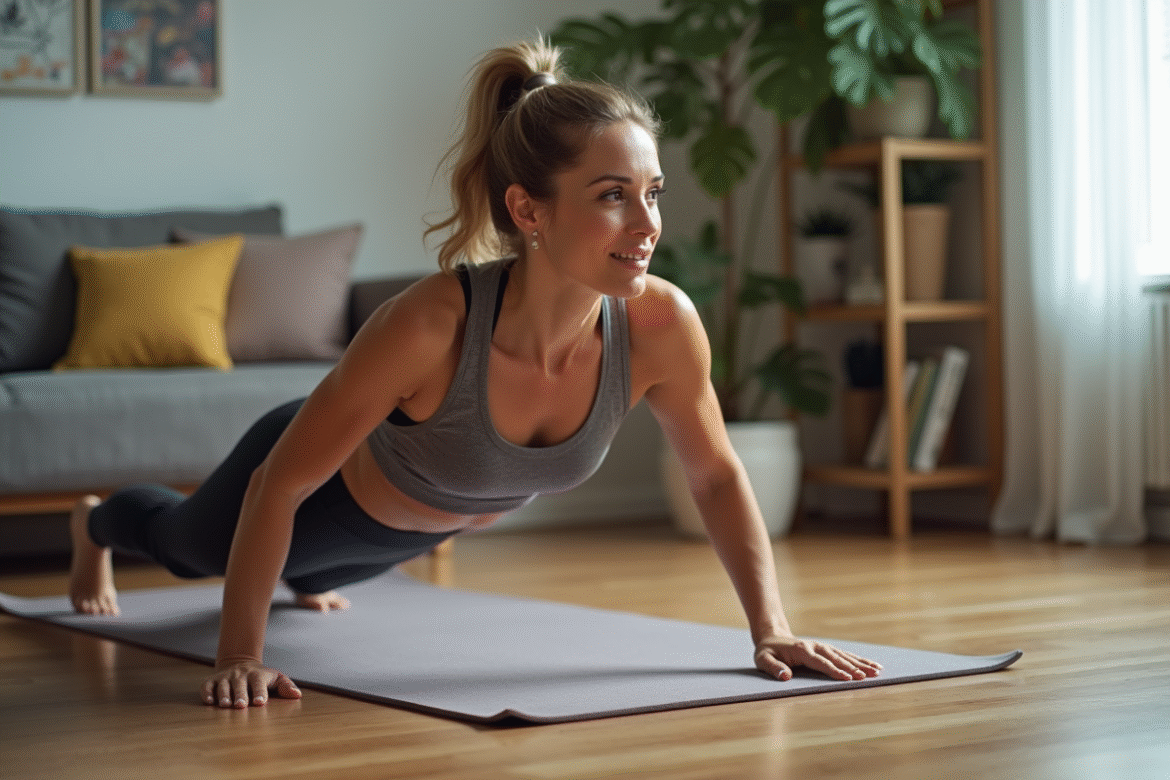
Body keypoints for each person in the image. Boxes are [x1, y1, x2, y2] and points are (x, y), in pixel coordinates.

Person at [68, 39, 882, 710]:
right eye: (612, 196)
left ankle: (297, 578)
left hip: (397, 536)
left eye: (653, 193)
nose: (647, 226)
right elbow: (277, 489)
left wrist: (769, 629)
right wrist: (239, 654)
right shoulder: (431, 324)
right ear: (528, 211)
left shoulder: (661, 325)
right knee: (182, 549)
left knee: (308, 574)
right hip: (312, 490)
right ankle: (96, 524)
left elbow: (714, 477)